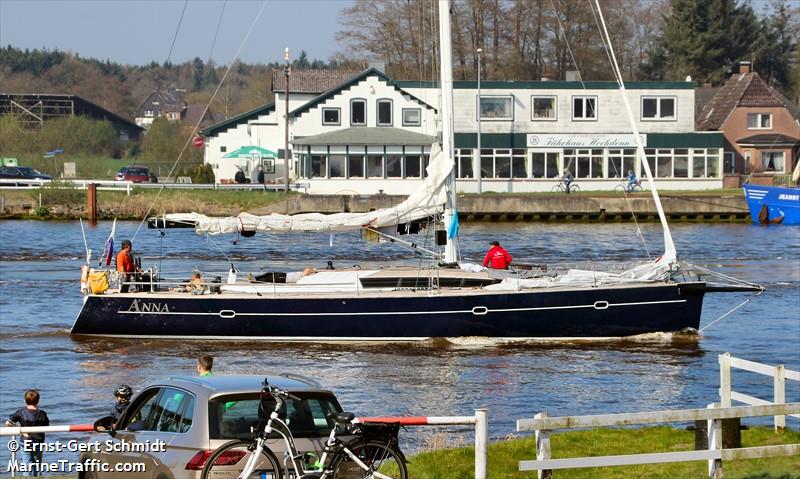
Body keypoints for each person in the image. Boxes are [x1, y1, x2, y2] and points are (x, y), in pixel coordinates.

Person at [6, 389, 50, 476]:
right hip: (39, 441)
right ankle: (37, 476)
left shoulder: (21, 412)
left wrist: (20, 430)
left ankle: (27, 476)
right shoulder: (42, 414)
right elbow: (47, 427)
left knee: (27, 463)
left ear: (25, 401)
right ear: (38, 401)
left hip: (25, 440)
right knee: (37, 464)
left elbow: (8, 423)